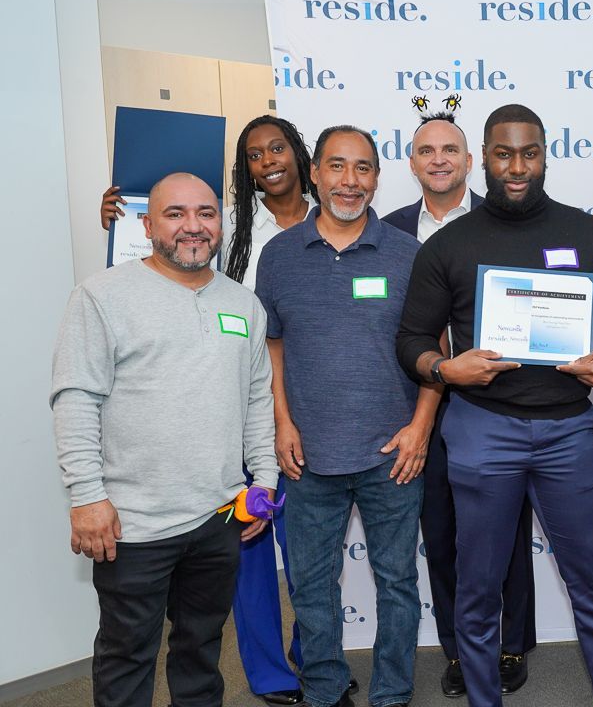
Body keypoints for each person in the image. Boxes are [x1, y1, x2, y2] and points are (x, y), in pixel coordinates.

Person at [396, 103, 593, 707]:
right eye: (504, 154)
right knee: (477, 593)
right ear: (484, 158)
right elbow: (411, 341)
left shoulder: (588, 234)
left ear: (546, 155)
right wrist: (445, 369)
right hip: (482, 430)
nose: (517, 166)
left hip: (568, 434)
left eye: (529, 152)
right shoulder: (448, 245)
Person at [99, 114, 322, 706]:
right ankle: (271, 674)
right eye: (253, 154)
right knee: (243, 571)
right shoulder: (237, 233)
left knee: (306, 566)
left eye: (278, 148)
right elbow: (172, 288)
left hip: (315, 415)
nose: (268, 160)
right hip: (232, 420)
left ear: (300, 155)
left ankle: (318, 666)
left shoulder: (335, 221)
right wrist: (120, 229)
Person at [51, 172, 279, 707]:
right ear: (148, 224)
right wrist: (87, 497)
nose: (193, 227)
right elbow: (76, 399)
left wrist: (263, 483)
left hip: (220, 517)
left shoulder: (243, 305)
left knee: (201, 651)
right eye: (175, 215)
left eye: (205, 213)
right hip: (132, 524)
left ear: (220, 224)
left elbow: (256, 401)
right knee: (128, 656)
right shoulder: (102, 296)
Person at [256, 125, 439, 707]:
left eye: (362, 169)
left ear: (378, 179)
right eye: (337, 166)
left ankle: (391, 694)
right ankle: (326, 690)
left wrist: (421, 427)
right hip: (307, 455)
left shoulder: (409, 254)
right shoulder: (278, 255)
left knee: (398, 585)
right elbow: (273, 346)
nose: (349, 181)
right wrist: (281, 422)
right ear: (315, 173)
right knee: (310, 588)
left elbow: (435, 346)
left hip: (393, 455)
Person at [382, 110, 537, 699]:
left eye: (451, 149)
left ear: (471, 162)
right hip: (422, 407)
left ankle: (512, 642)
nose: (440, 159)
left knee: (510, 529)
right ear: (414, 163)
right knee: (442, 531)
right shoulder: (390, 230)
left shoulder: (506, 219)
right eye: (427, 150)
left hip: (501, 402)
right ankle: (458, 648)